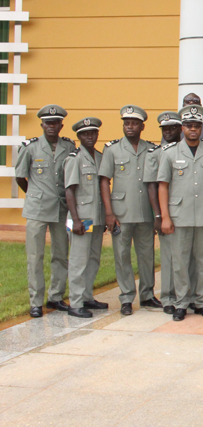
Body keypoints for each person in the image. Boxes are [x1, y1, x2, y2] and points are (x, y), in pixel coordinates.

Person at [157, 105, 203, 321]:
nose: (193, 129)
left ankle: (201, 302)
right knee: (180, 261)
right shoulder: (169, 153)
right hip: (179, 216)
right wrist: (165, 217)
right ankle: (180, 303)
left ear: (201, 128)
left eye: (197, 126)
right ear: (182, 128)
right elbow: (162, 186)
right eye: (188, 126)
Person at [15, 105, 76, 318]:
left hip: (61, 208)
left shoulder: (68, 146)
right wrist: (34, 194)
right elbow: (20, 177)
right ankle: (35, 302)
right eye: (47, 123)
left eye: (55, 122)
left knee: (60, 254)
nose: (51, 126)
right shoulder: (30, 147)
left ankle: (56, 297)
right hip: (37, 209)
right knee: (35, 256)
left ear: (61, 125)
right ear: (42, 124)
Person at [99, 105, 159, 316]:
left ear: (142, 126)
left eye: (134, 123)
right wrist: (109, 212)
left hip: (144, 212)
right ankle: (126, 297)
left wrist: (156, 215)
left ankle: (147, 295)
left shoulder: (151, 148)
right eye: (126, 123)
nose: (130, 127)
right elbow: (104, 181)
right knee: (122, 255)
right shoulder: (112, 149)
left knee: (146, 256)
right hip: (120, 213)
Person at [64, 117, 107, 318]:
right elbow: (70, 190)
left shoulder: (100, 157)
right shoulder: (75, 159)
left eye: (93, 133)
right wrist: (76, 219)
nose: (90, 136)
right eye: (85, 134)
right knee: (78, 260)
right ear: (79, 136)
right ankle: (75, 302)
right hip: (82, 218)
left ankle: (88, 296)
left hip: (96, 218)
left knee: (93, 258)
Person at [143, 111, 183, 314]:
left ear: (180, 129)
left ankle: (185, 296)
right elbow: (152, 186)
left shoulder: (187, 150)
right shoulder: (155, 153)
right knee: (168, 257)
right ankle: (168, 298)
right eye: (164, 128)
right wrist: (158, 215)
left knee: (186, 256)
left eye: (172, 128)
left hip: (185, 211)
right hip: (166, 212)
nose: (168, 131)